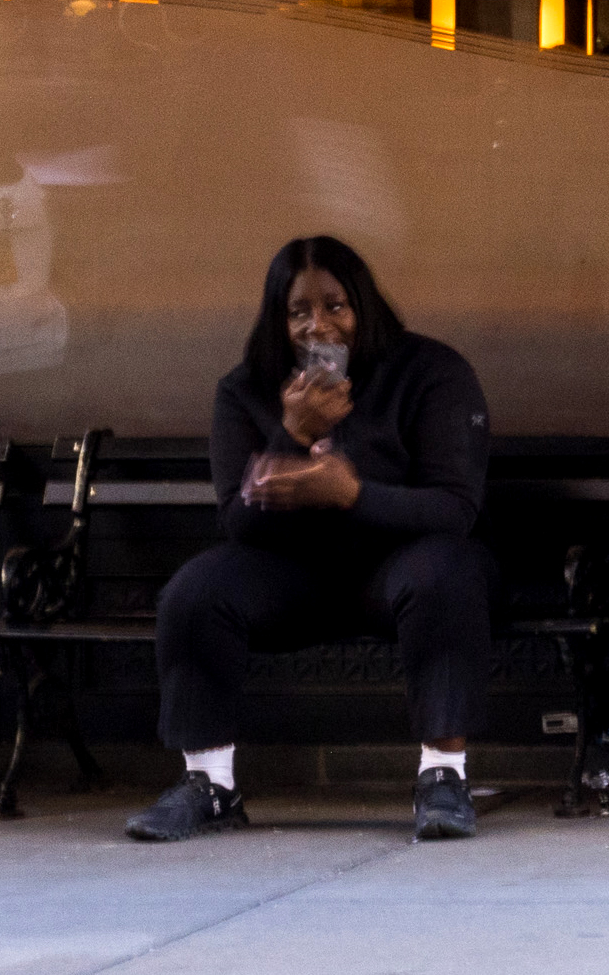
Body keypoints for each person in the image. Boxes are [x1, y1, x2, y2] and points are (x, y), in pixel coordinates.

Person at [124, 236, 496, 844]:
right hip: (296, 573)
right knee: (195, 592)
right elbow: (238, 525)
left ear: (365, 308)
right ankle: (209, 784)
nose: (317, 326)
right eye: (298, 311)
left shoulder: (430, 373)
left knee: (446, 571)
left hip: (401, 564)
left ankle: (443, 777)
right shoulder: (244, 390)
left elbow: (454, 510)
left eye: (335, 306)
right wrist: (291, 436)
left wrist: (353, 495)